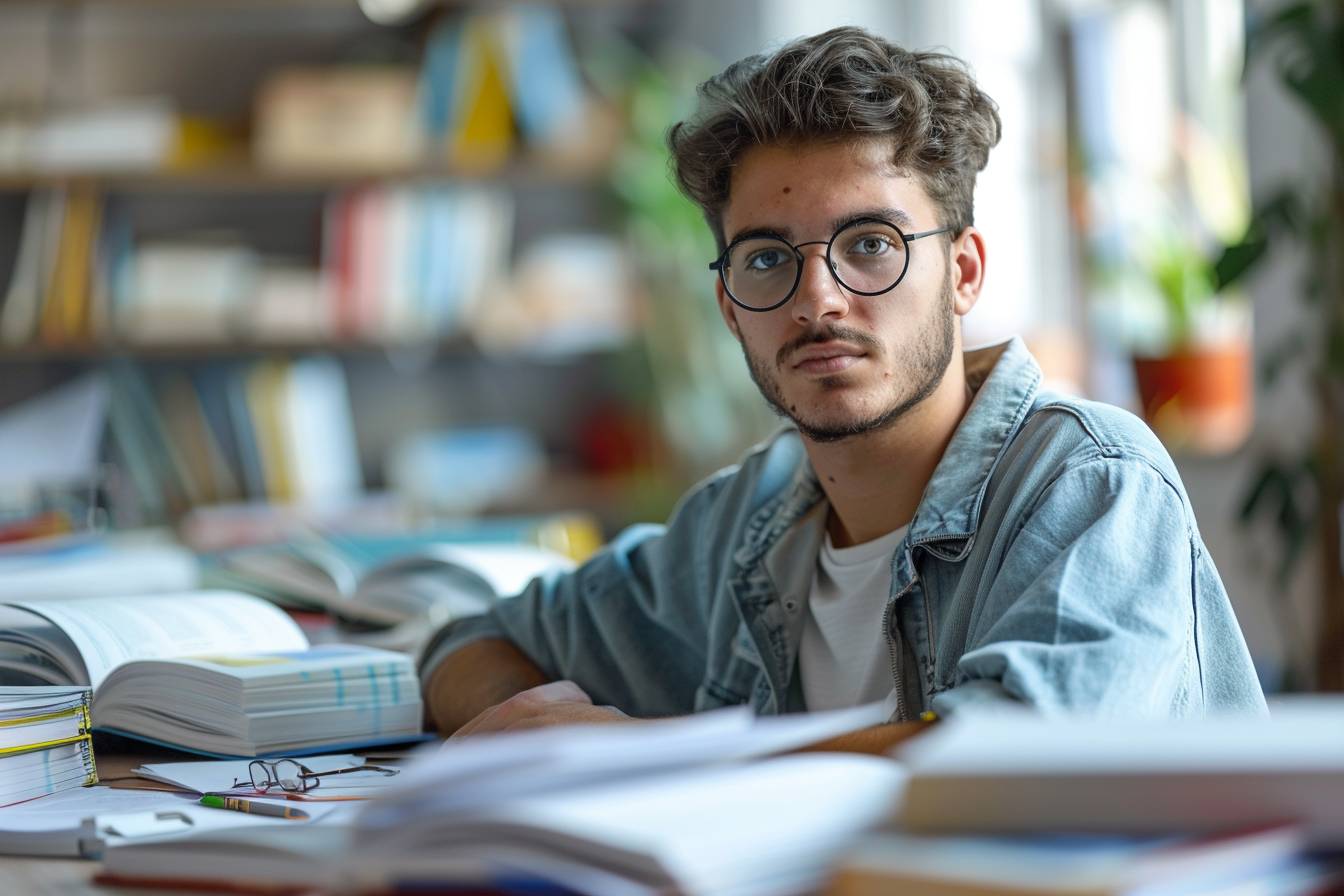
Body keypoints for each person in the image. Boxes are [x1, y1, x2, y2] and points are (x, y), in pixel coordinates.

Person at [420, 26, 1267, 752]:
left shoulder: (1088, 482)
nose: (817, 298)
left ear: (962, 272)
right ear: (728, 306)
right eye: (766, 259)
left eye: (869, 244)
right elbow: (469, 644)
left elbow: (1014, 766)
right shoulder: (742, 523)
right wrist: (537, 731)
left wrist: (648, 755)